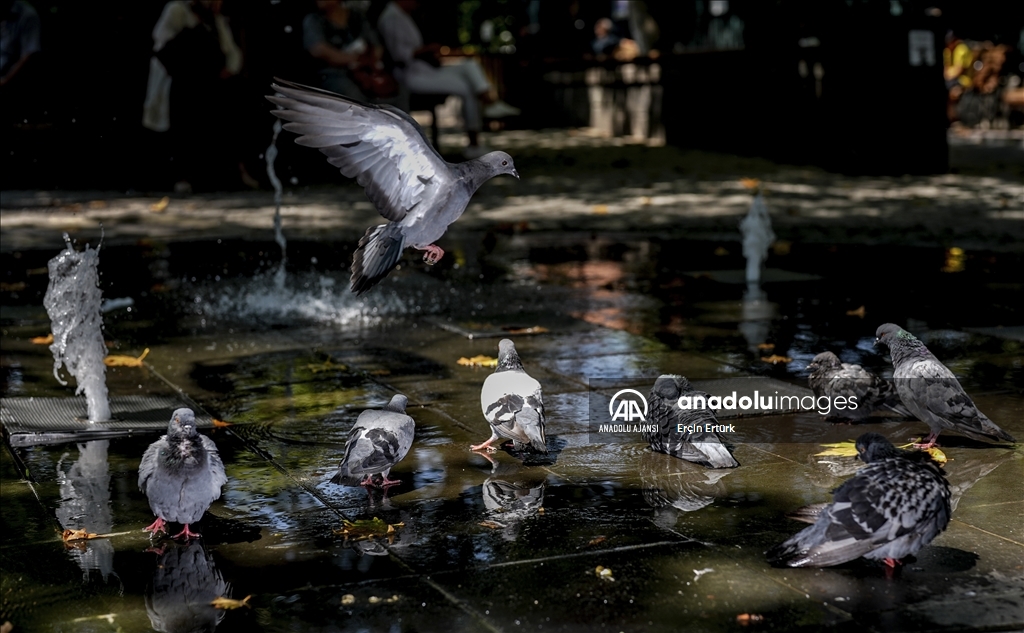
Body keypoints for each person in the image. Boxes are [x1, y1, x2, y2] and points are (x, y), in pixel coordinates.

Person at [376, 0, 519, 158]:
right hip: (411, 74)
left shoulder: (402, 16)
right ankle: (476, 139)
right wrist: (426, 50)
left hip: (424, 69)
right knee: (466, 87)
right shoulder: (391, 18)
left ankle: (490, 103)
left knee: (469, 65)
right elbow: (399, 55)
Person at [142, 0, 254, 192]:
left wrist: (228, 69)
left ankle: (225, 172)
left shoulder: (214, 18)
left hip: (208, 82)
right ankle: (183, 175)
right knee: (184, 111)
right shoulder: (177, 10)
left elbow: (232, 52)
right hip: (180, 81)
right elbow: (163, 46)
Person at [303, 0, 395, 102]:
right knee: (351, 94)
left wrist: (370, 61)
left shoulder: (356, 16)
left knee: (392, 90)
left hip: (368, 68)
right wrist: (354, 58)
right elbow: (318, 50)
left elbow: (376, 45)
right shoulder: (314, 20)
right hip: (335, 74)